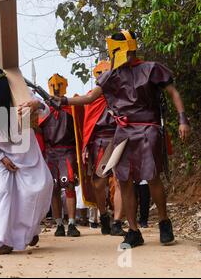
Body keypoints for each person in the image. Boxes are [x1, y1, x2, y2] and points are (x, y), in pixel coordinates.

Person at [55, 30, 190, 248]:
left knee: (152, 176)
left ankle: (165, 223)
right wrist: (62, 101)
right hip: (123, 133)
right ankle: (134, 231)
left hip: (148, 129)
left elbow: (173, 92)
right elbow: (90, 98)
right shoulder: (112, 75)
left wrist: (183, 119)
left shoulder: (150, 68)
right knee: (124, 181)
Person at [0, 67, 53, 255]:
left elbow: (46, 111)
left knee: (40, 188)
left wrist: (37, 105)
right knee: (3, 192)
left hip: (27, 154)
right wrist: (0, 158)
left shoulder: (21, 94)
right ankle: (2, 240)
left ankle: (30, 230)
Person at [81, 61, 126, 236]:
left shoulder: (122, 94)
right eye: (100, 73)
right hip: (99, 142)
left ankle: (117, 221)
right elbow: (87, 125)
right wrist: (85, 147)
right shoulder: (91, 96)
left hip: (119, 138)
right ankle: (104, 215)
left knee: (120, 181)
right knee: (99, 184)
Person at [40, 74, 81, 237]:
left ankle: (71, 223)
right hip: (50, 153)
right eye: (53, 85)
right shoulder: (43, 109)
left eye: (60, 84)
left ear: (65, 85)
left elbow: (80, 129)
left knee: (69, 184)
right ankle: (58, 224)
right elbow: (37, 131)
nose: (56, 88)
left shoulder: (71, 107)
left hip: (68, 150)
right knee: (54, 188)